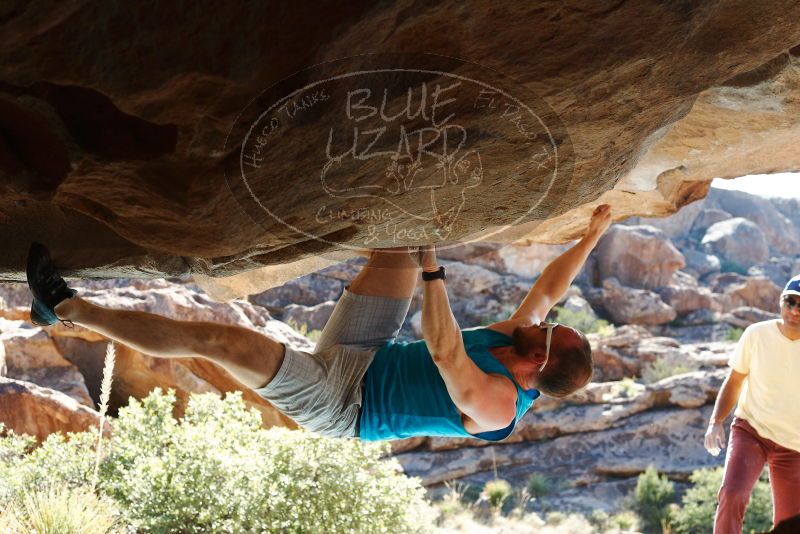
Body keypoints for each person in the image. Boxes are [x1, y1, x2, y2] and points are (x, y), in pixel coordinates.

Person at [26, 204, 612, 441]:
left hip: (343, 405)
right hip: (369, 353)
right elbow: (547, 291)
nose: (546, 321)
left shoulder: (498, 406)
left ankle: (65, 309)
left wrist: (435, 272)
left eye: (553, 331)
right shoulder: (523, 340)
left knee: (218, 339)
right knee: (395, 252)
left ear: (539, 362)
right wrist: (592, 237)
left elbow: (443, 350)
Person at [704, 274, 800, 533]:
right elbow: (735, 381)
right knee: (733, 494)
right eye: (790, 301)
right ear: (780, 302)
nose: (794, 310)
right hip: (752, 431)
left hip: (794, 446)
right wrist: (716, 422)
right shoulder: (756, 334)